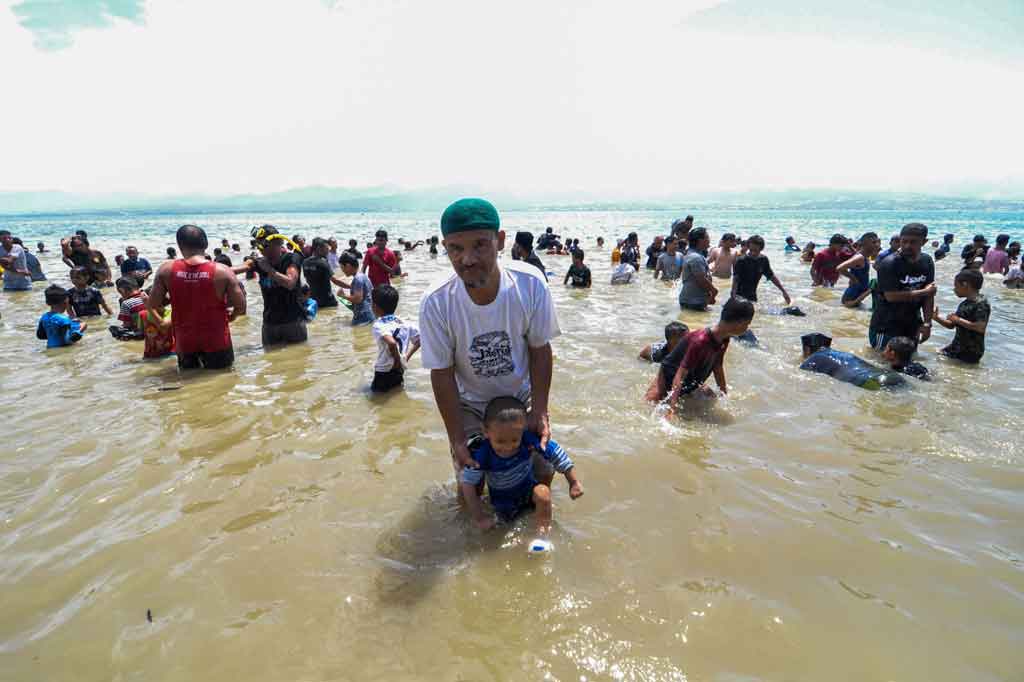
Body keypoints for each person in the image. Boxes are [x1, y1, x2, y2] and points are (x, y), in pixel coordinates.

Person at [419, 198, 560, 497]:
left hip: (520, 397)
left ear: (500, 241)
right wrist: (456, 437)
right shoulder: (436, 301)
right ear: (445, 248)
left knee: (542, 470)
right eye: (456, 249)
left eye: (479, 245)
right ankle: (475, 538)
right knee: (470, 480)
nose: (467, 259)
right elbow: (442, 374)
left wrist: (541, 410)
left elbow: (539, 350)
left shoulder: (530, 284)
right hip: (470, 404)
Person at [461, 396, 582, 536]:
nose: (508, 447)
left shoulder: (527, 440)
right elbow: (467, 483)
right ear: (486, 432)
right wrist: (479, 517)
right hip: (502, 505)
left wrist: (573, 481)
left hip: (528, 495)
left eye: (514, 440)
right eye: (500, 441)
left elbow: (556, 453)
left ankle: (542, 535)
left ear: (523, 430)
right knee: (496, 534)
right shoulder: (483, 454)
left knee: (543, 493)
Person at [147, 225, 246, 370]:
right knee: (222, 383)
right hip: (217, 339)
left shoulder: (166, 270)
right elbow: (241, 306)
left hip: (184, 341)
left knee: (189, 382)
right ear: (206, 244)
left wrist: (164, 318)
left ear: (179, 245)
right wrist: (232, 316)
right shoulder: (222, 271)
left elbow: (153, 304)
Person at [646, 297, 754, 415]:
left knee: (710, 399)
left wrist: (724, 395)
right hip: (669, 375)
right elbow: (680, 375)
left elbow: (717, 367)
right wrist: (672, 409)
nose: (747, 328)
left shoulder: (724, 339)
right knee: (651, 407)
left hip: (692, 378)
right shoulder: (700, 341)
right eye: (747, 324)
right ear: (739, 323)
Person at [869, 223, 936, 352]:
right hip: (886, 325)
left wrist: (927, 324)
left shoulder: (927, 261)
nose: (907, 246)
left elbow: (929, 295)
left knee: (907, 362)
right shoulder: (889, 263)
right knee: (882, 364)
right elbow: (891, 296)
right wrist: (924, 291)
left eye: (913, 242)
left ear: (924, 242)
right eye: (904, 241)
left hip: (912, 324)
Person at [248, 225, 306, 346]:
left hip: (292, 322)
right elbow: (238, 269)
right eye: (258, 244)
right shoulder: (260, 262)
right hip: (270, 324)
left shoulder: (291, 258)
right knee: (270, 361)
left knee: (298, 360)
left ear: (279, 242)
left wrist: (269, 269)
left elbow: (290, 283)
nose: (260, 249)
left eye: (264, 245)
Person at [798, 333, 905, 390]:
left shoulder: (813, 359)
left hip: (872, 383)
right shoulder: (841, 354)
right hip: (892, 376)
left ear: (807, 349)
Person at [370, 284, 421, 393]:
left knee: (377, 401)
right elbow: (420, 338)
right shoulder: (403, 321)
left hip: (383, 371)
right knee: (396, 393)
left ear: (375, 306)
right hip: (399, 370)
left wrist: (397, 361)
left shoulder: (378, 325)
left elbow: (392, 343)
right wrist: (405, 357)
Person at [932, 268, 989, 364]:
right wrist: (936, 318)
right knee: (936, 356)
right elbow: (951, 325)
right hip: (957, 346)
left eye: (956, 286)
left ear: (965, 285)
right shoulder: (965, 303)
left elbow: (980, 327)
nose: (954, 289)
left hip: (971, 350)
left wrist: (957, 319)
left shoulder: (982, 303)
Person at [731, 235, 791, 305]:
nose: (753, 253)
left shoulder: (763, 260)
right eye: (751, 250)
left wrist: (783, 291)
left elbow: (771, 276)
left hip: (752, 296)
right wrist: (733, 296)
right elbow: (736, 279)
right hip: (739, 296)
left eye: (756, 250)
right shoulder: (741, 260)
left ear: (761, 249)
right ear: (748, 247)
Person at [836, 232, 880, 308]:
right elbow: (839, 268)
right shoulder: (860, 258)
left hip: (856, 296)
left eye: (877, 242)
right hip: (851, 299)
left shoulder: (863, 256)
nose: (877, 245)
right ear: (865, 244)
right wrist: (853, 278)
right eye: (874, 242)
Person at [678, 227, 717, 311]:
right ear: (700, 240)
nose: (709, 240)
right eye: (707, 237)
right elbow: (701, 280)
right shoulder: (696, 257)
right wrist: (714, 291)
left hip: (693, 300)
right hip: (693, 302)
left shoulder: (694, 254)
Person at [302, 237, 346, 309]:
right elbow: (335, 280)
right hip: (327, 299)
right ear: (319, 248)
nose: (328, 250)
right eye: (326, 248)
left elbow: (307, 279)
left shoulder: (305, 262)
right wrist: (350, 286)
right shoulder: (322, 262)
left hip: (314, 298)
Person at [336, 252, 375, 325]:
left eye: (342, 267)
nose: (342, 271)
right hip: (369, 314)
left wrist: (343, 295)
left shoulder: (357, 279)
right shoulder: (363, 276)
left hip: (362, 317)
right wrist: (344, 299)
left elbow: (358, 299)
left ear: (348, 266)